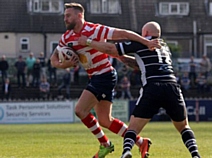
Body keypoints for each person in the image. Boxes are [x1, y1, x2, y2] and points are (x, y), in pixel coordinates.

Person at [50, 3, 159, 158]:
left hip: (104, 75)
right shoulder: (66, 37)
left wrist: (146, 42)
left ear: (79, 15)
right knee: (105, 120)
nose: (65, 19)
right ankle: (141, 142)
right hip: (96, 77)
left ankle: (105, 145)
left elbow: (124, 34)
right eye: (64, 16)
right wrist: (64, 65)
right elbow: (53, 59)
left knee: (80, 110)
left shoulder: (94, 30)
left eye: (68, 16)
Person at [78, 21, 201, 158]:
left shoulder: (141, 42)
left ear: (145, 34)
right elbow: (141, 64)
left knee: (133, 127)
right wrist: (123, 59)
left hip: (153, 87)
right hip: (172, 86)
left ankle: (126, 152)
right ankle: (195, 154)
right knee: (183, 127)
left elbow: (110, 49)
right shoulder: (164, 47)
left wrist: (88, 42)